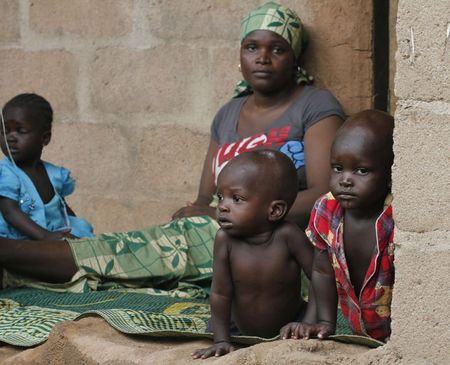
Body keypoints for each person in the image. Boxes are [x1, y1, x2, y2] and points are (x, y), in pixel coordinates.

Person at [0, 2, 344, 291]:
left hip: (275, 236)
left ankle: (9, 254)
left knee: (128, 254)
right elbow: (203, 198)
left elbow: (324, 195)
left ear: (295, 57)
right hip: (217, 228)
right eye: (252, 47)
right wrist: (196, 211)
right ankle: (18, 262)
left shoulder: (313, 105)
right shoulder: (229, 114)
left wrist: (219, 215)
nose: (263, 58)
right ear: (240, 54)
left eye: (277, 49)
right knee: (133, 252)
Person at [280, 110, 395, 343]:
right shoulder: (326, 209)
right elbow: (322, 271)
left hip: (398, 334)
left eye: (362, 170)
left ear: (392, 172)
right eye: (338, 168)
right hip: (357, 330)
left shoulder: (397, 219)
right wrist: (320, 322)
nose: (345, 180)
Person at [192, 150, 315, 359]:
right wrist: (221, 340)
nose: (222, 206)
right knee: (213, 326)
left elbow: (321, 276)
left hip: (290, 322)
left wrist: (309, 322)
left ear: (275, 210)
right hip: (238, 326)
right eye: (220, 196)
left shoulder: (289, 236)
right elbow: (221, 292)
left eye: (237, 199)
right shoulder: (225, 239)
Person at [0, 93, 94, 240]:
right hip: (18, 240)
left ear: (45, 138)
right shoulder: (6, 172)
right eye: (5, 131)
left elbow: (61, 208)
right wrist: (46, 236)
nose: (10, 138)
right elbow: (10, 212)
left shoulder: (53, 174)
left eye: (21, 131)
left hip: (51, 235)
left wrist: (76, 235)